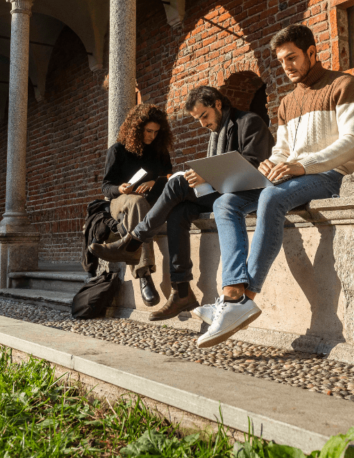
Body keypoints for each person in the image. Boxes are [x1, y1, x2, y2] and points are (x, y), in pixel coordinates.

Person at [195, 24, 354, 348]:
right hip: (292, 175)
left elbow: (353, 142)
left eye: (292, 58)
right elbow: (283, 150)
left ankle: (245, 299)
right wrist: (269, 163)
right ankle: (232, 293)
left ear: (312, 52)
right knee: (224, 203)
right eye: (281, 60)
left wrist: (303, 165)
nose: (286, 66)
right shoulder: (287, 102)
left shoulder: (343, 84)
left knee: (271, 197)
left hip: (330, 174)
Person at [91, 86, 274, 321]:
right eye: (197, 119)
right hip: (224, 191)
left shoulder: (250, 122)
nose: (202, 124)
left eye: (204, 116)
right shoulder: (217, 130)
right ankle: (182, 292)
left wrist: (206, 175)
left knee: (176, 185)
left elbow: (254, 165)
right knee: (179, 211)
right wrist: (204, 175)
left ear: (218, 104)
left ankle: (134, 240)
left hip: (248, 193)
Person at [101, 104, 174, 306]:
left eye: (156, 132)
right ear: (136, 128)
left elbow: (170, 177)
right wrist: (121, 189)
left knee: (142, 203)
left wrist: (155, 182)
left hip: (149, 200)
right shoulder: (118, 150)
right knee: (136, 201)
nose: (151, 136)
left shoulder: (159, 150)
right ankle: (143, 273)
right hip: (121, 201)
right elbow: (106, 187)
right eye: (148, 131)